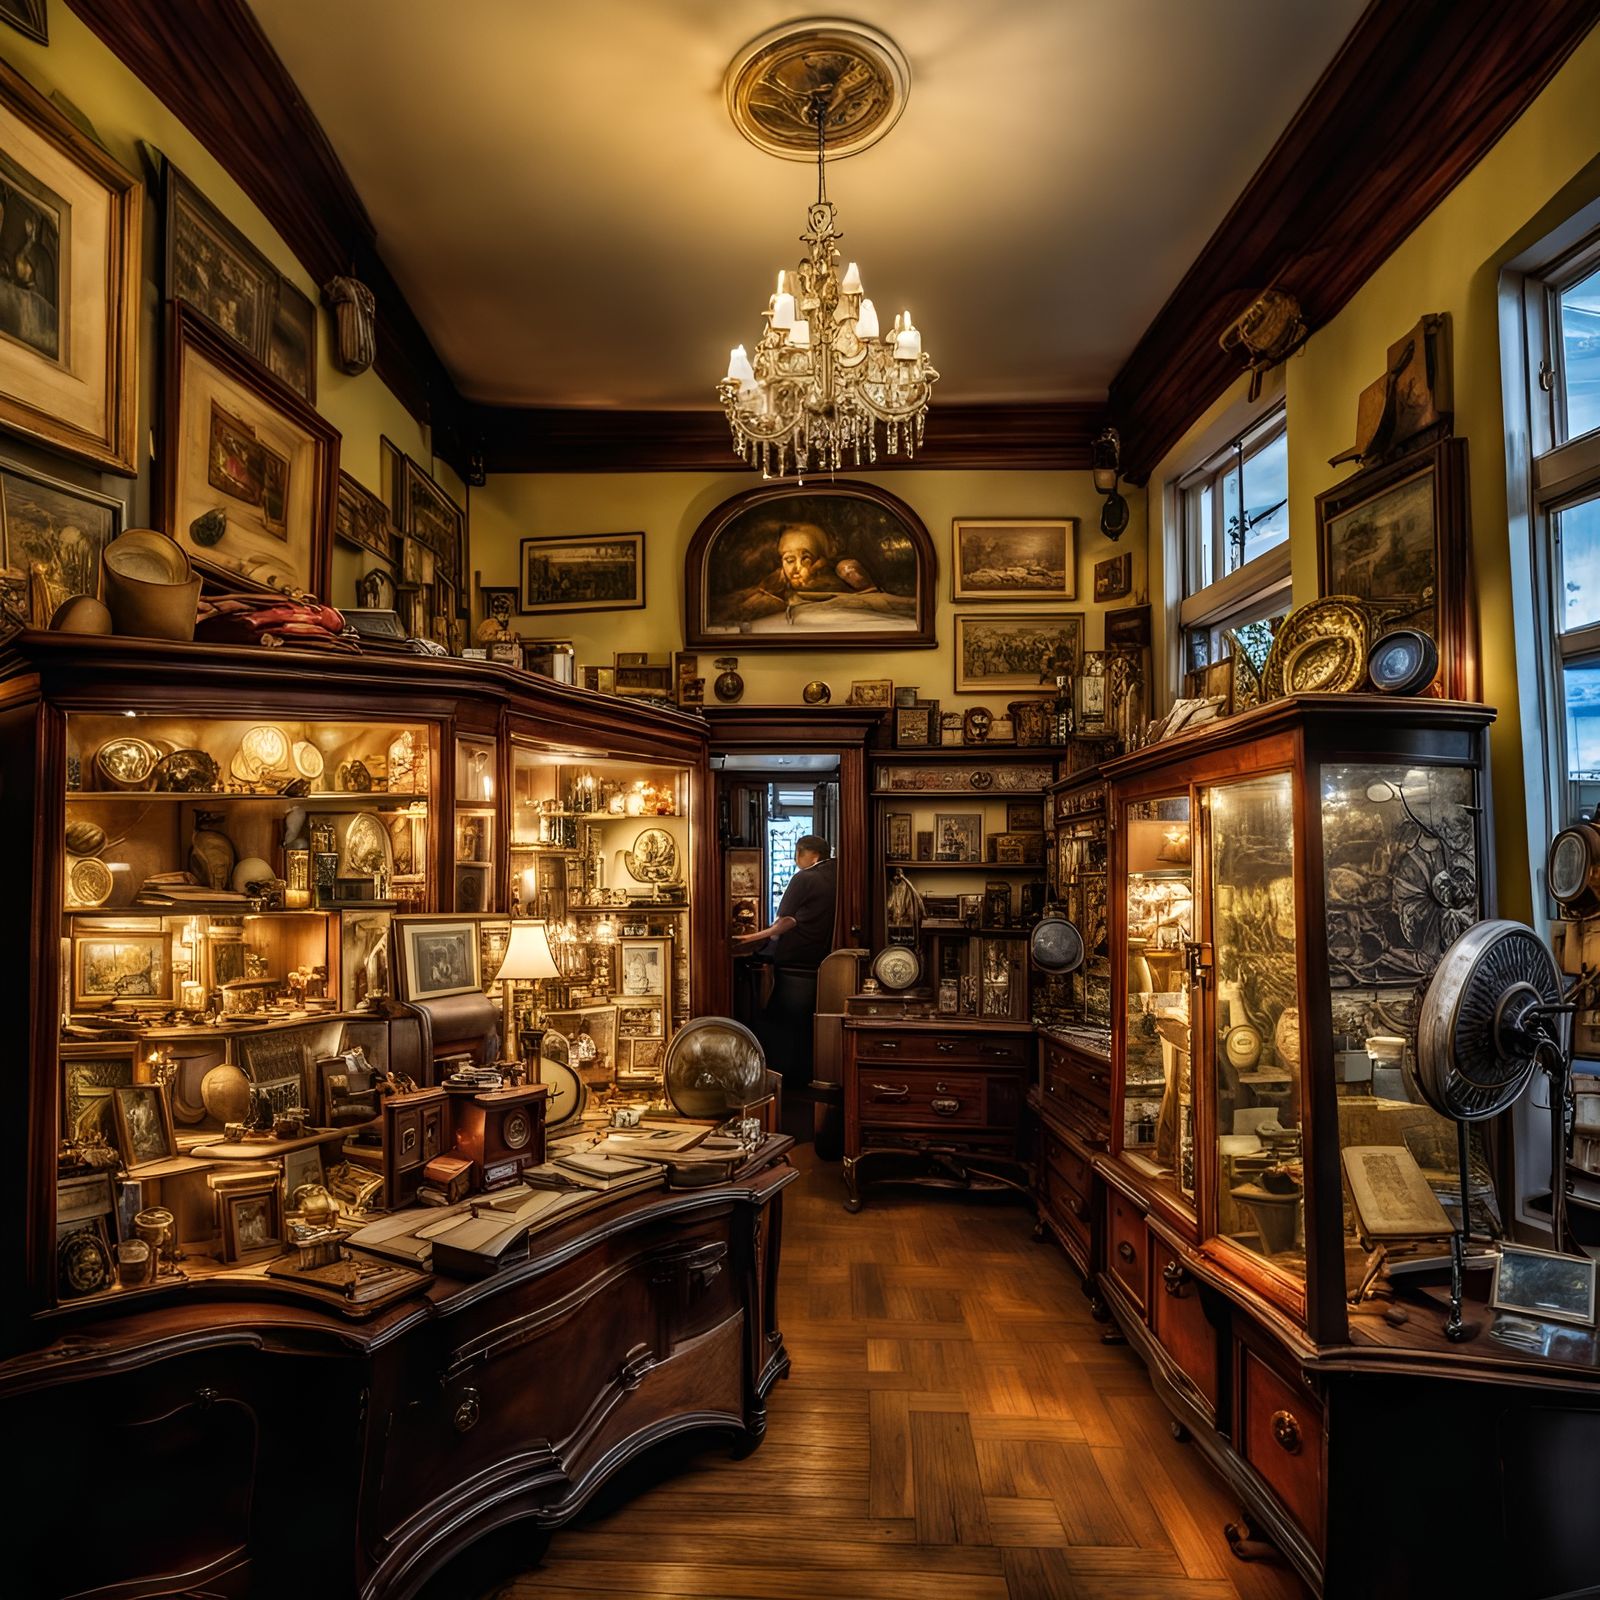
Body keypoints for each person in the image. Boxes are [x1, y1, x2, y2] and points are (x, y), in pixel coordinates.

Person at [732, 835, 837, 1083]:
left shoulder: (805, 878)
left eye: (797, 854)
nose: (795, 860)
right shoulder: (837, 874)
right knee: (803, 1026)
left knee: (781, 1023)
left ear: (809, 855)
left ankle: (781, 1080)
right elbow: (791, 920)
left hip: (796, 961)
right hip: (821, 960)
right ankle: (802, 1076)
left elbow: (784, 921)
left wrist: (749, 938)